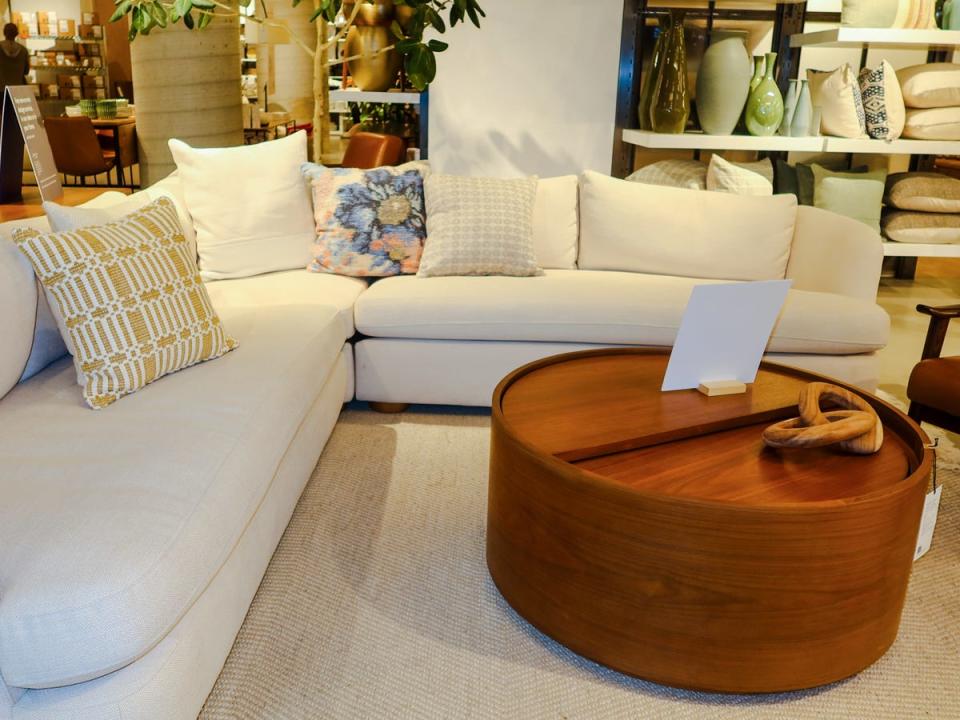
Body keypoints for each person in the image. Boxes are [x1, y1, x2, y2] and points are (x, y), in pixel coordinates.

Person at [0, 23, 29, 95]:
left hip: (1, 89)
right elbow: (26, 71)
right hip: (17, 90)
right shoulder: (23, 50)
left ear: (4, 33)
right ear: (16, 33)